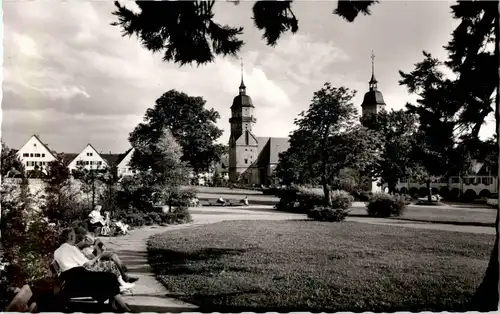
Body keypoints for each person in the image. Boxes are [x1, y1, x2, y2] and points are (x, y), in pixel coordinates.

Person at [54, 229, 132, 312]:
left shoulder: (57, 251)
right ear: (70, 237)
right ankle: (122, 306)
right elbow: (88, 263)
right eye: (74, 236)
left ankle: (116, 304)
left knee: (108, 276)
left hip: (70, 278)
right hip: (79, 278)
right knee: (111, 276)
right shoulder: (72, 248)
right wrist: (100, 254)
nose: (75, 238)